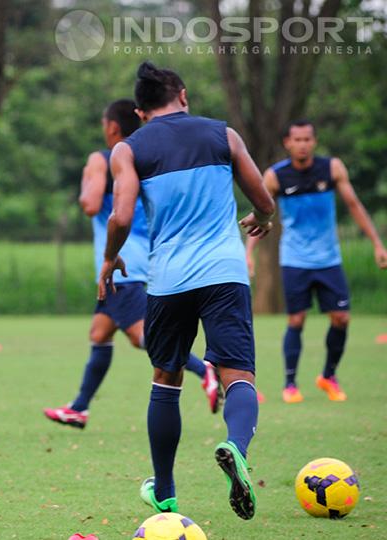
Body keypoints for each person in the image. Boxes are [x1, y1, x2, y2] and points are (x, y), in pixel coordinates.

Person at [99, 62, 275, 520]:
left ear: (140, 112)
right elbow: (263, 199)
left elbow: (120, 217)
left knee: (166, 379)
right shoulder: (224, 135)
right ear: (183, 94)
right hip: (224, 271)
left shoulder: (128, 149)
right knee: (239, 375)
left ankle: (166, 491)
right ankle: (235, 446)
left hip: (167, 279)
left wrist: (110, 257)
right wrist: (265, 220)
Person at [44, 99, 219, 430]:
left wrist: (87, 178)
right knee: (100, 332)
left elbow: (90, 204)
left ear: (111, 127)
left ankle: (204, 370)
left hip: (121, 266)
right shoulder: (144, 159)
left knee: (144, 338)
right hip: (148, 260)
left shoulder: (103, 159)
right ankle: (79, 408)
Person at [247, 120, 387, 403]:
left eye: (307, 139)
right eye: (297, 139)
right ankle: (290, 384)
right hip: (295, 259)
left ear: (314, 141)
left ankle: (328, 375)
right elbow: (261, 213)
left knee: (341, 318)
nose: (302, 144)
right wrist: (248, 252)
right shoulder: (275, 176)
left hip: (328, 259)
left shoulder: (332, 168)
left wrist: (376, 242)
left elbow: (354, 205)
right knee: (296, 319)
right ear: (287, 142)